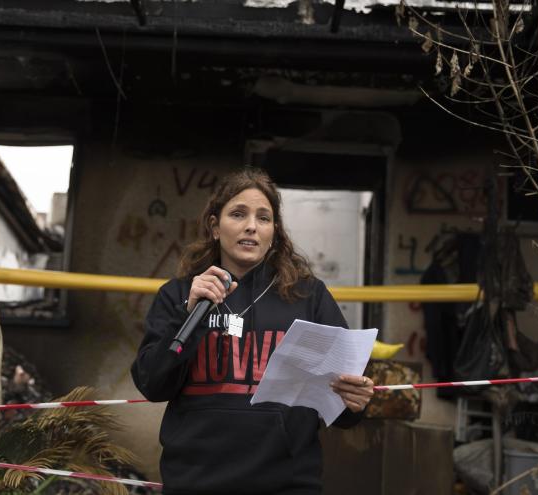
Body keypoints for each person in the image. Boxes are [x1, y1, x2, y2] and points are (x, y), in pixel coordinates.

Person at [131, 168, 374, 494]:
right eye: (238, 214)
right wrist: (187, 314)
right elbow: (153, 384)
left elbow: (343, 409)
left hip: (286, 483)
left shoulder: (308, 296)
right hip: (194, 482)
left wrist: (357, 401)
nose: (251, 226)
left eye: (263, 218)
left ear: (274, 231)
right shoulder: (179, 296)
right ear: (215, 227)